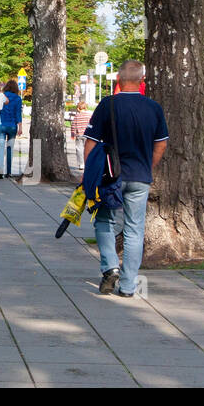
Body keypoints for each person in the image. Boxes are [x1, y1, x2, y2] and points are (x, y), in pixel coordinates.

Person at [82, 60, 168, 298]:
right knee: (134, 230)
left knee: (104, 221)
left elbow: (91, 142)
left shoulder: (107, 105)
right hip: (140, 176)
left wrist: (88, 172)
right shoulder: (154, 108)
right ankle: (129, 286)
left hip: (110, 176)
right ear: (142, 81)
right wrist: (149, 166)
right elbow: (161, 143)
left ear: (118, 80)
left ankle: (110, 266)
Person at [0, 79, 22, 178]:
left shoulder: (2, 97)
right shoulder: (18, 98)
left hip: (1, 125)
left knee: (0, 148)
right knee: (10, 149)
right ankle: (8, 172)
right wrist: (20, 127)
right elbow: (18, 114)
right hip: (12, 126)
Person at [70, 100, 93, 169]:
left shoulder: (77, 116)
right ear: (86, 108)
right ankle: (88, 163)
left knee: (79, 149)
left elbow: (73, 125)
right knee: (88, 149)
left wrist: (72, 135)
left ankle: (81, 164)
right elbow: (91, 124)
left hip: (79, 134)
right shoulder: (89, 115)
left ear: (78, 108)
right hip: (88, 135)